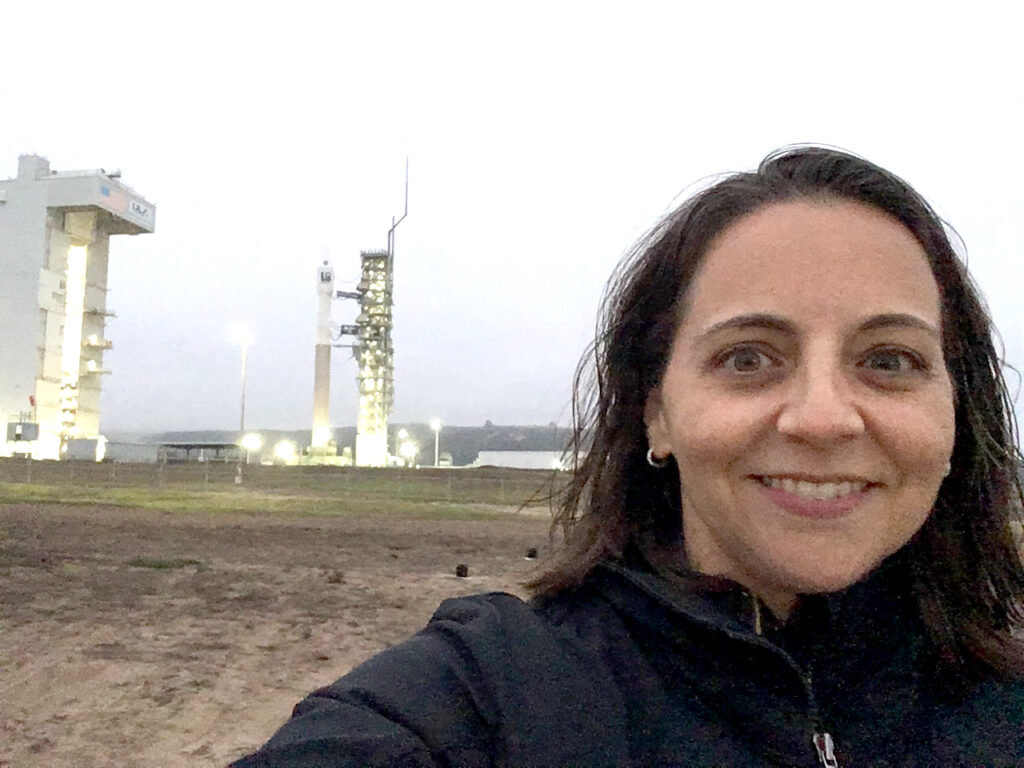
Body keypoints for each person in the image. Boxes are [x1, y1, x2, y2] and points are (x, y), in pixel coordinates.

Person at [232, 147, 1024, 767]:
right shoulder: (486, 702)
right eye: (748, 358)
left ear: (957, 411)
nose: (822, 417)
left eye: (889, 360)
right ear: (656, 410)